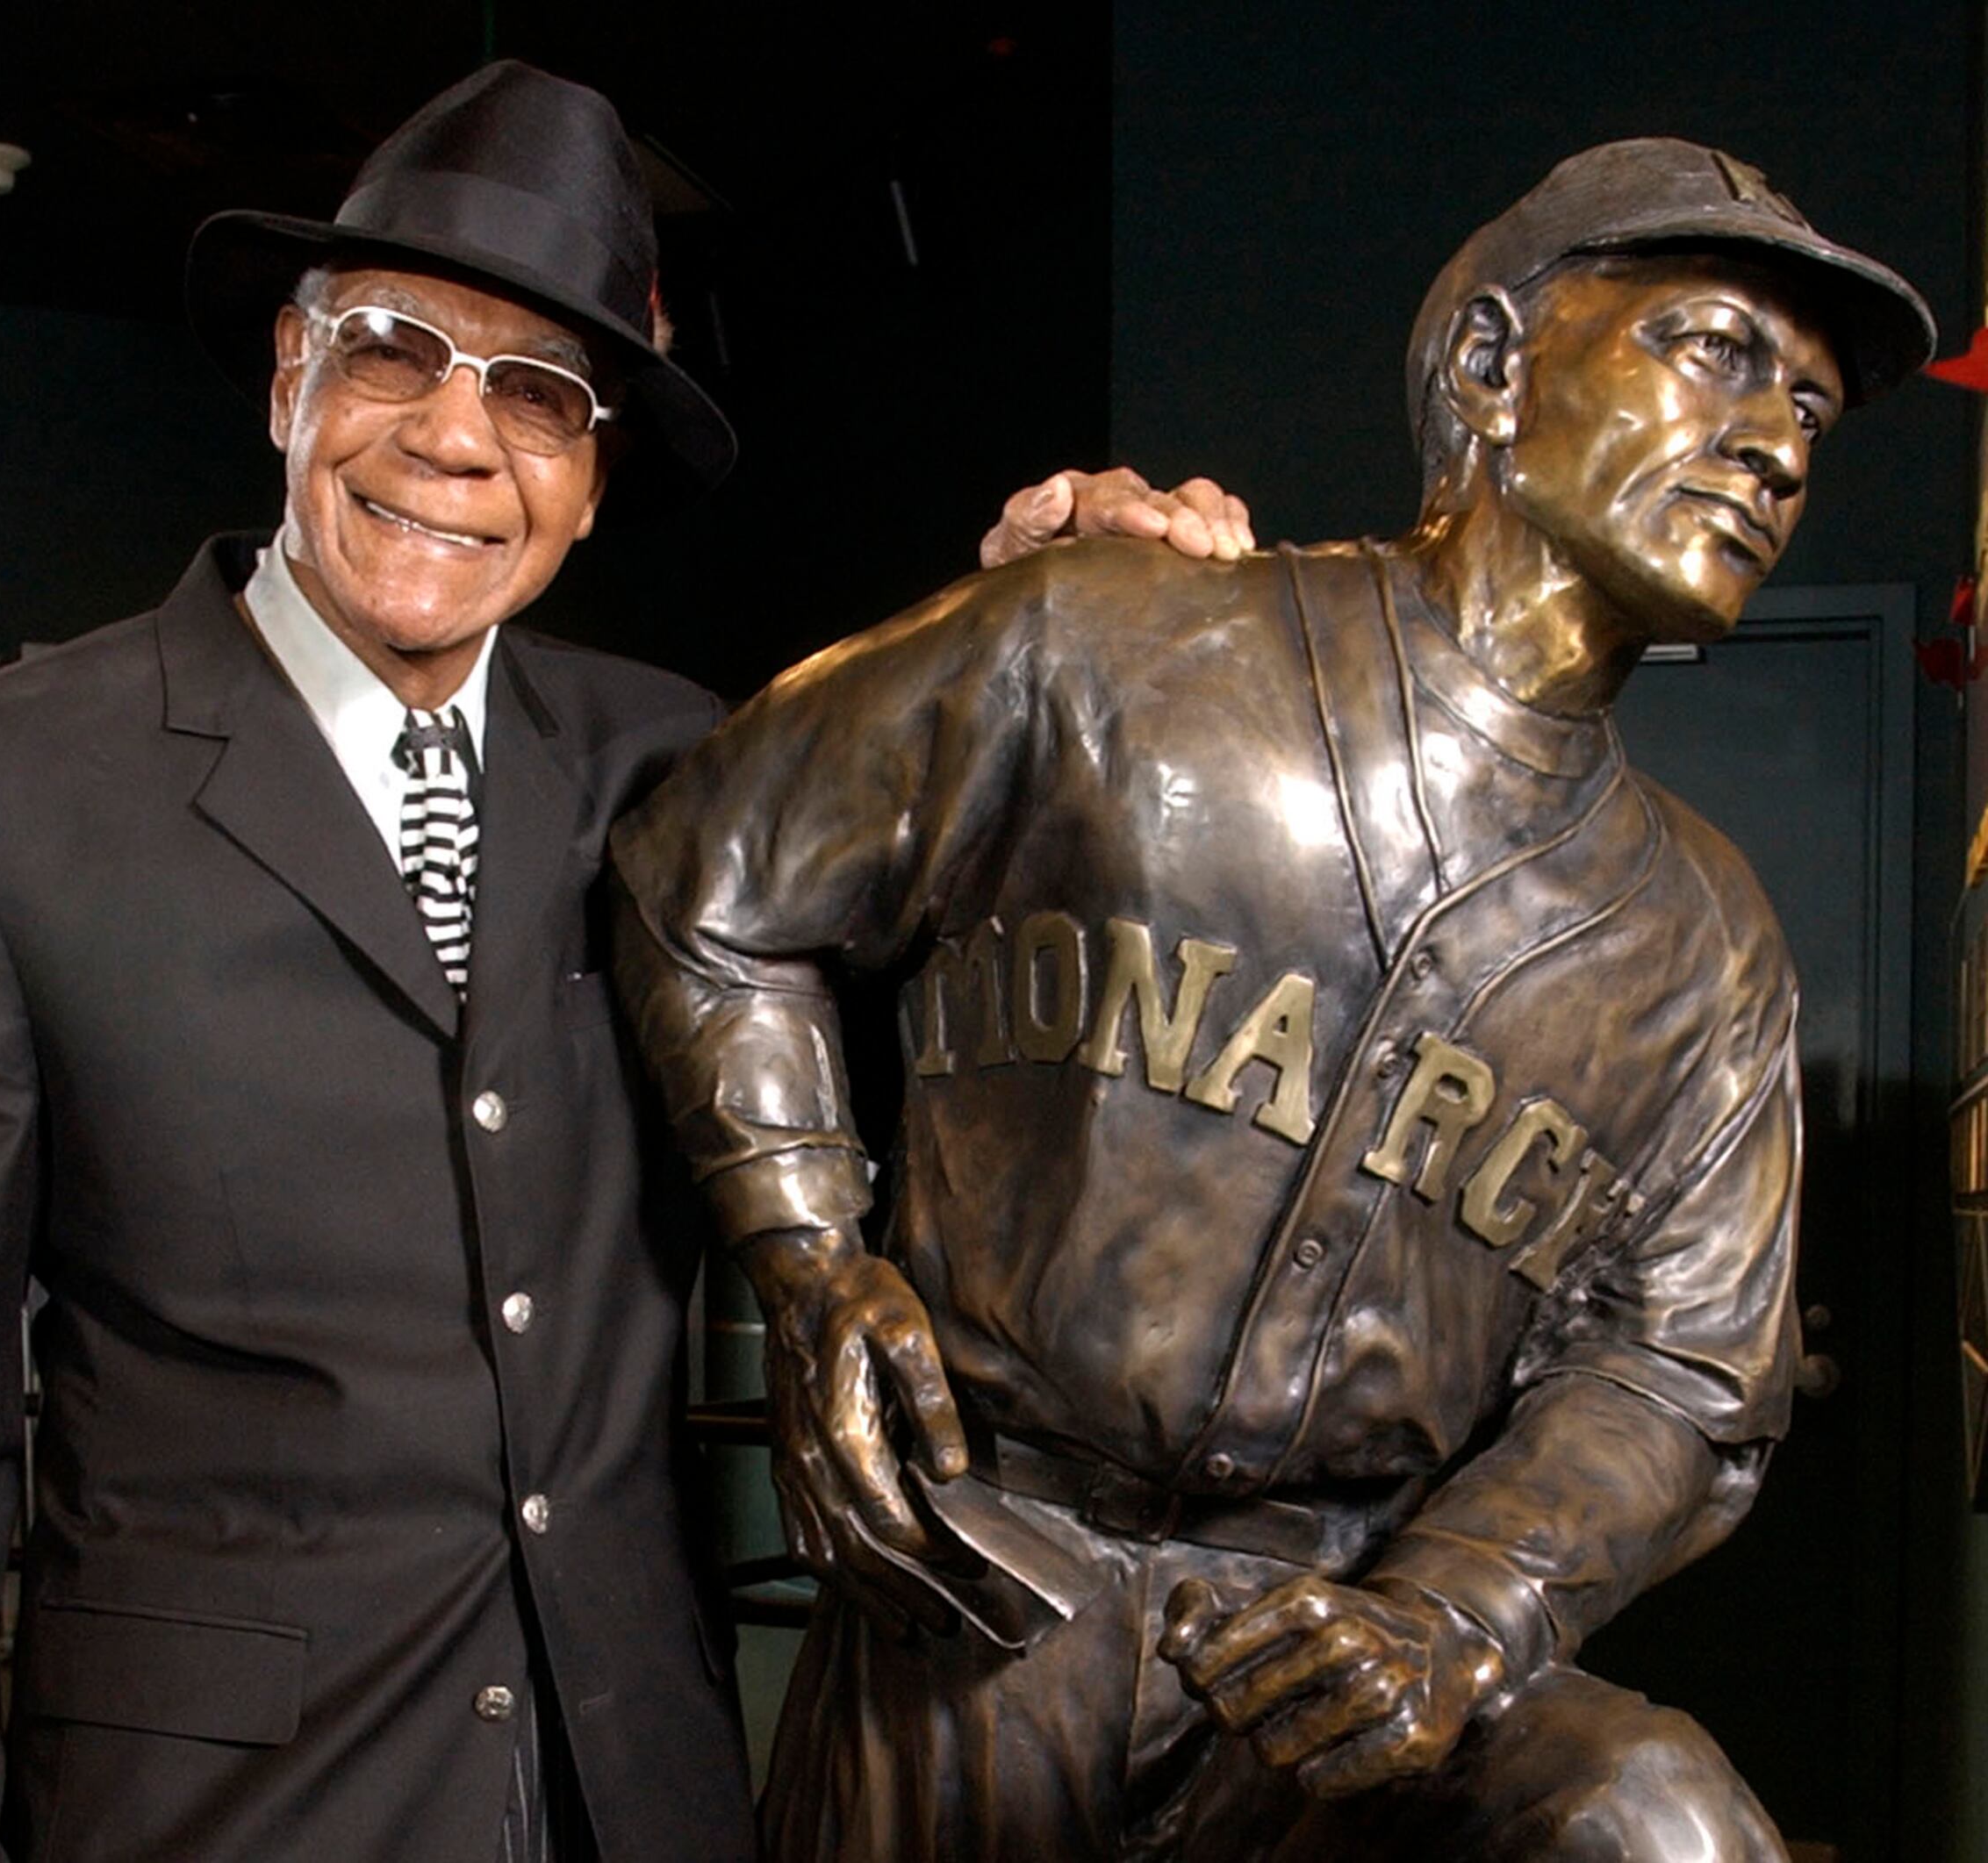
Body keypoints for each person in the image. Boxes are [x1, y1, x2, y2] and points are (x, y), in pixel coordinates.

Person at [0, 59, 1246, 1863]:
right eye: (393, 349)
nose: (456, 440)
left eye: (539, 395)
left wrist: (1045, 629)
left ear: (586, 478)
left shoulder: (675, 763)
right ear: (286, 377)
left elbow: (975, 978)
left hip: (634, 1796)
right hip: (214, 1816)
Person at [611, 139, 1934, 1860]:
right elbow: (707, 881)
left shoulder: (1700, 938)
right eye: (1709, 348)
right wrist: (805, 1255)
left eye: (1811, 417)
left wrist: (1454, 1610)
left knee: (1650, 1819)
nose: (1771, 442)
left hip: (1337, 1640)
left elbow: (1676, 1369)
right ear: (1486, 363)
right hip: (987, 1586)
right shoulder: (1111, 635)